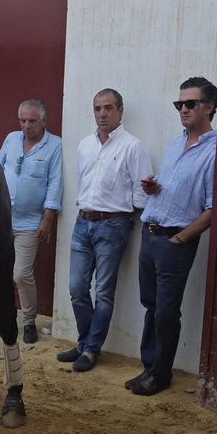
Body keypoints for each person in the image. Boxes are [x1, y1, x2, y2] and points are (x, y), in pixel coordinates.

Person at [127, 78, 217, 396]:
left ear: (209, 107)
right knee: (152, 306)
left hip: (174, 241)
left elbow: (214, 208)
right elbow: (171, 190)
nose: (183, 109)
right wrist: (153, 187)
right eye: (179, 104)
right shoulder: (174, 144)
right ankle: (149, 368)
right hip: (150, 234)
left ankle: (160, 374)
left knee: (166, 311)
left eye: (190, 103)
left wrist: (181, 239)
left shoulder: (215, 151)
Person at [59, 89, 152, 373]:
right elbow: (82, 182)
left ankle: (90, 350)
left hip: (113, 225)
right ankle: (84, 342)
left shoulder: (133, 147)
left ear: (120, 111)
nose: (102, 114)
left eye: (109, 108)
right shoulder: (85, 144)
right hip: (82, 222)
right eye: (98, 108)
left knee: (103, 292)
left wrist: (120, 216)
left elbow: (142, 195)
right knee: (77, 288)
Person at [0, 99, 62, 345]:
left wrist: (48, 218)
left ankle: (29, 321)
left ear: (44, 120)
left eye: (32, 121)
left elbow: (55, 183)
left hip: (30, 222)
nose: (27, 126)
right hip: (2, 220)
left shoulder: (55, 145)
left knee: (21, 274)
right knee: (0, 272)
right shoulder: (11, 139)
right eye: (23, 120)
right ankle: (3, 321)